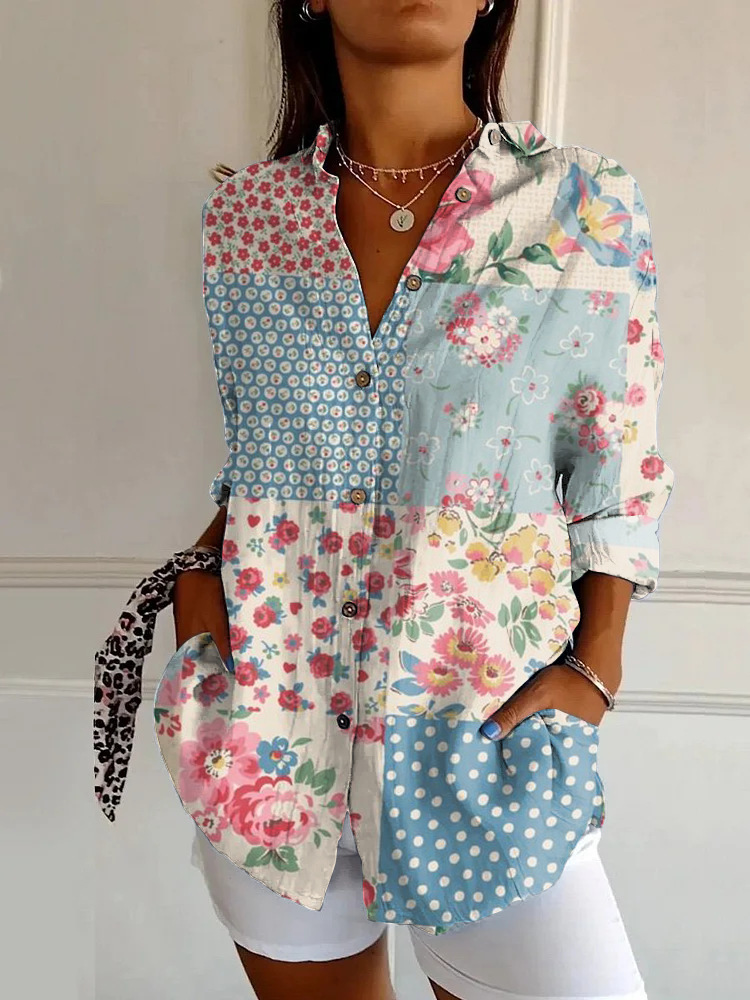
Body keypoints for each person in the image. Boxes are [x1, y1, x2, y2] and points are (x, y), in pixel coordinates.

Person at [163, 1, 673, 998]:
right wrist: (198, 601)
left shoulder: (582, 203)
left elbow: (618, 466)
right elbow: (263, 455)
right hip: (271, 739)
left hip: (485, 734)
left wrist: (598, 665)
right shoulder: (247, 217)